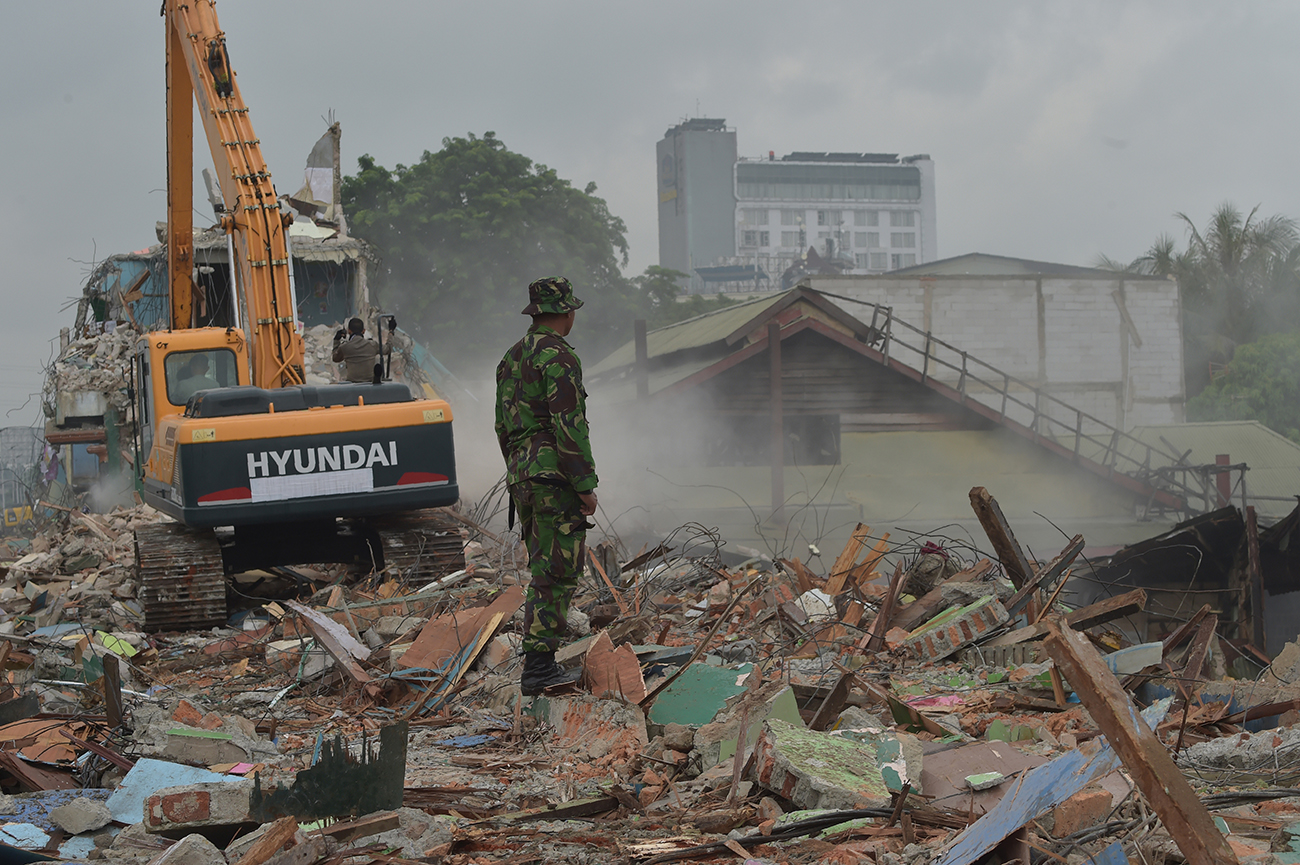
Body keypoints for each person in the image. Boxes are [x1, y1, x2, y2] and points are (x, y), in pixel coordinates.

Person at [495, 276, 598, 696]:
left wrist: (519, 470)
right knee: (556, 571)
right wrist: (584, 484)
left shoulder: (511, 357)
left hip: (523, 475)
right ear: (567, 313)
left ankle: (540, 665)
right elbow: (567, 423)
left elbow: (502, 425)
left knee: (543, 566)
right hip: (552, 476)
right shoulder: (558, 356)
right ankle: (539, 671)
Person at [332, 317, 388, 383]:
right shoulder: (372, 345)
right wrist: (391, 333)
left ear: (349, 331)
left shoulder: (344, 347)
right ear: (364, 331)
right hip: (370, 383)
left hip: (352, 384)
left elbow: (335, 358)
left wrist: (336, 341)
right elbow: (387, 349)